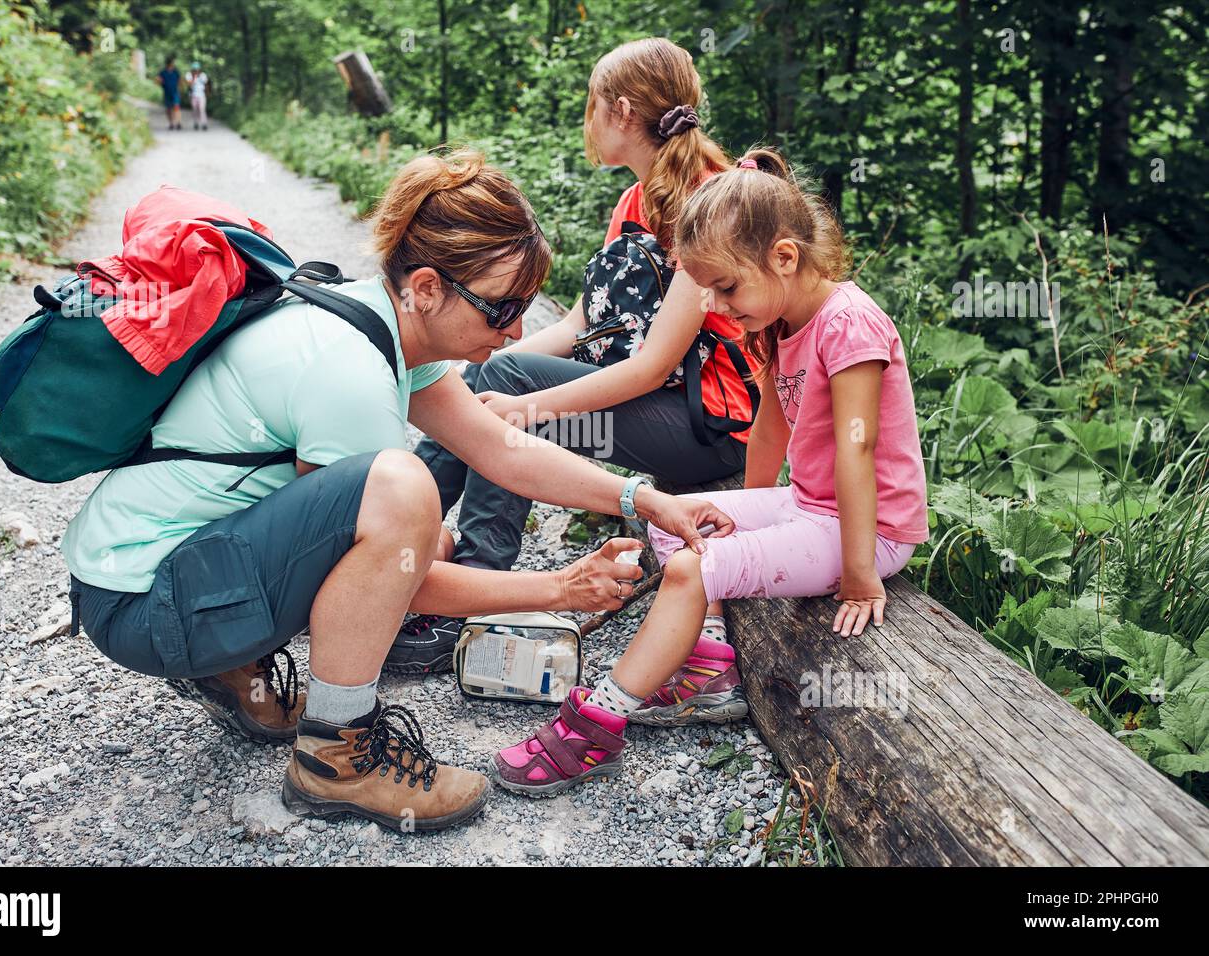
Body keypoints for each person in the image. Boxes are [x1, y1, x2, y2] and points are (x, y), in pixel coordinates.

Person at [61, 149, 735, 831]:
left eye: (525, 308)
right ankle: (337, 756)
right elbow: (387, 586)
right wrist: (557, 590)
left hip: (147, 577)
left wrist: (638, 499)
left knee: (406, 512)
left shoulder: (370, 320)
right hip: (147, 608)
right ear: (425, 287)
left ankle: (235, 665)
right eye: (500, 307)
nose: (512, 333)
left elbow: (502, 448)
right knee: (402, 488)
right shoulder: (350, 371)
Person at [492, 148, 930, 796]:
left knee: (694, 567)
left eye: (726, 287)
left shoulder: (850, 325)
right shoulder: (784, 322)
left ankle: (598, 722)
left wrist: (862, 576)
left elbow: (857, 450)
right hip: (812, 506)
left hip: (873, 532)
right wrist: (746, 516)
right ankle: (709, 662)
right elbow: (773, 426)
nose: (719, 303)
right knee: (682, 519)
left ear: (784, 257)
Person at [398, 38, 759, 674]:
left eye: (590, 105)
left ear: (620, 110)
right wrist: (479, 365)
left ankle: (475, 584)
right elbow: (579, 324)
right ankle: (407, 540)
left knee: (507, 383)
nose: (585, 120)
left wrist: (523, 402)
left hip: (708, 426)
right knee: (490, 368)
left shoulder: (715, 203)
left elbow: (650, 366)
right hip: (653, 399)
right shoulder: (634, 199)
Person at [157, 56, 181, 130]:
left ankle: (178, 122)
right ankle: (171, 123)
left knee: (176, 107)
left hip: (175, 92)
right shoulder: (163, 72)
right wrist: (161, 84)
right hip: (167, 92)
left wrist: (180, 89)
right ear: (169, 63)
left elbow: (180, 80)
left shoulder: (176, 72)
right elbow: (158, 79)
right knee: (168, 109)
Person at [185, 61, 209, 131]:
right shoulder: (189, 75)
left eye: (197, 69)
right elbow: (189, 84)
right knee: (195, 110)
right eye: (195, 69)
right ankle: (196, 123)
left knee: (202, 109)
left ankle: (204, 123)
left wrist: (207, 93)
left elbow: (206, 84)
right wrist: (194, 77)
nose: (196, 71)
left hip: (202, 95)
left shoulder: (203, 75)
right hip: (193, 95)